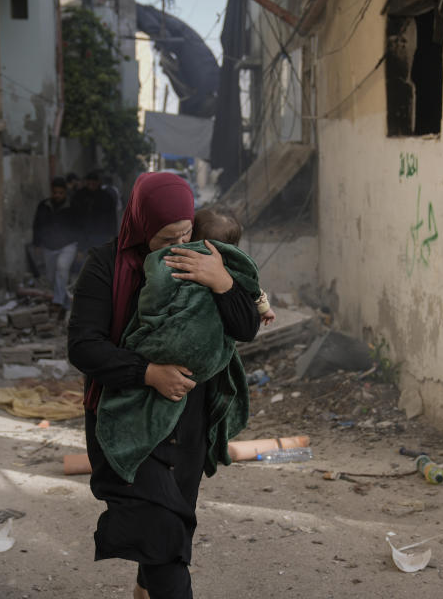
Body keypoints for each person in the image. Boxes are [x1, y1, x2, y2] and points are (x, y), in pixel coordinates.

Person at [67, 172, 260, 599]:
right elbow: (83, 347)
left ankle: (144, 588)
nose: (175, 246)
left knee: (170, 528)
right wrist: (148, 372)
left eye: (184, 233)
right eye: (164, 238)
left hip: (187, 423)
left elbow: (246, 328)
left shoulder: (205, 257)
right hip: (127, 421)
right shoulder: (106, 266)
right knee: (162, 535)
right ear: (140, 225)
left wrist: (222, 281)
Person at [192, 207, 276, 325]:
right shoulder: (237, 266)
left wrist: (264, 309)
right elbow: (252, 287)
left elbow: (252, 288)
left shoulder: (188, 258)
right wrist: (265, 309)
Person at [32, 177, 80, 314]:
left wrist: (81, 248)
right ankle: (65, 304)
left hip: (68, 245)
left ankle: (57, 303)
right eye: (55, 192)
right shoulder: (44, 205)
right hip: (49, 246)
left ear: (65, 192)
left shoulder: (73, 206)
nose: (57, 195)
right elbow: (37, 225)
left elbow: (80, 227)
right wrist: (37, 243)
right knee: (52, 277)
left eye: (60, 193)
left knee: (62, 268)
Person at [74, 170, 117, 250]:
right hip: (84, 234)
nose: (91, 185)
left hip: (101, 234)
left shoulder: (106, 197)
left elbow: (112, 217)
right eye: (89, 183)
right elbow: (74, 215)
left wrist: (112, 234)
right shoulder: (79, 195)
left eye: (93, 183)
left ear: (98, 182)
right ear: (86, 182)